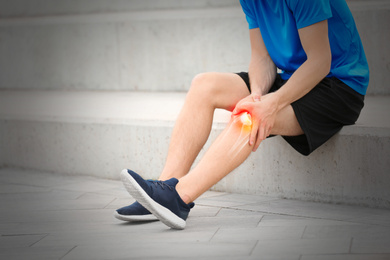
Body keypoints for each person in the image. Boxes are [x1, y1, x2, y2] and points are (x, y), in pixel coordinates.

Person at [114, 0, 369, 229]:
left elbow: (319, 62)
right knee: (204, 86)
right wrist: (257, 95)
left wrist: (271, 104)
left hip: (337, 86)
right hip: (294, 77)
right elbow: (261, 57)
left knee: (250, 117)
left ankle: (179, 198)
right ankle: (164, 188)